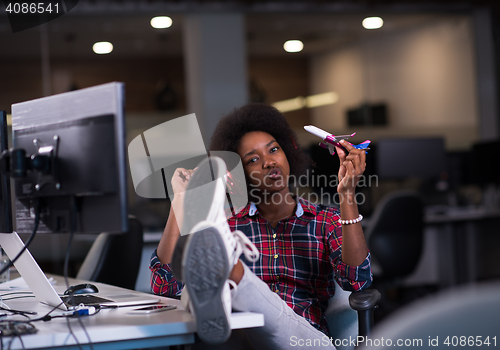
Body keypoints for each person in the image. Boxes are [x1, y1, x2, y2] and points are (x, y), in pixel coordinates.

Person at [150, 103, 372, 349]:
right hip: (242, 340)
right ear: (240, 175)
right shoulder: (230, 221)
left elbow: (357, 282)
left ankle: (230, 271)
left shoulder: (324, 219)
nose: (268, 162)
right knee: (228, 322)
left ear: (288, 153)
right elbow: (165, 287)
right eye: (253, 159)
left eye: (274, 150)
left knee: (229, 280)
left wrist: (348, 194)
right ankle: (216, 290)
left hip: (306, 340)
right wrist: (179, 200)